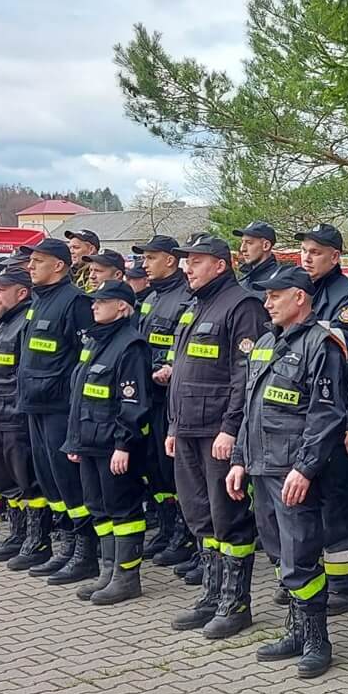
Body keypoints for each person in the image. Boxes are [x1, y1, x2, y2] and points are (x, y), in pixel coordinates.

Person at [227, 265, 348, 675]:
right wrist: (240, 459)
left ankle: (318, 638)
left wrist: (305, 467)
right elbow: (251, 407)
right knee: (279, 552)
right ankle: (297, 629)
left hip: (293, 470)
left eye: (275, 296)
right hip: (262, 466)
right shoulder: (264, 343)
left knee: (301, 555)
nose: (267, 303)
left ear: (299, 297)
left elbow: (327, 414)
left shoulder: (323, 344)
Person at [166, 233, 271, 637]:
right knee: (199, 516)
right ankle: (211, 594)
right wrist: (175, 426)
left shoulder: (242, 305)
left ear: (220, 264)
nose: (187, 268)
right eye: (186, 261)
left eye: (195, 261)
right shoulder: (195, 306)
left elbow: (245, 376)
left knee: (227, 518)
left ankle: (235, 602)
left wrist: (231, 429)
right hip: (188, 430)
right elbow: (183, 372)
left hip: (217, 434)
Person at [64, 278, 154, 606]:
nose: (93, 306)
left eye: (101, 301)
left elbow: (133, 403)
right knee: (98, 508)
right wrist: (75, 442)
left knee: (123, 509)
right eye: (93, 301)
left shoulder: (131, 345)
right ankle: (108, 570)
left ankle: (127, 577)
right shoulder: (96, 341)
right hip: (89, 442)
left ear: (121, 307)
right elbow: (81, 396)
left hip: (113, 446)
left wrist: (123, 445)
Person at [295, 223, 348, 613]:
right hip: (307, 416)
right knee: (315, 502)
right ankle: (318, 578)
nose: (307, 257)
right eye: (305, 251)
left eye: (316, 252)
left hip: (336, 414)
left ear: (336, 256)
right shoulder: (304, 291)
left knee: (338, 501)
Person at [16, 238, 97, 583]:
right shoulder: (38, 301)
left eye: (38, 261)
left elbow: (85, 359)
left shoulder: (75, 302)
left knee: (70, 483)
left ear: (60, 265)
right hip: (35, 404)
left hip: (60, 408)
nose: (30, 266)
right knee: (50, 482)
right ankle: (65, 546)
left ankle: (85, 553)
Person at [133, 235, 195, 570]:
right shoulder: (153, 296)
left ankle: (185, 534)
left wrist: (168, 368)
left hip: (169, 395)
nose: (145, 264)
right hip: (148, 395)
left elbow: (179, 345)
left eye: (151, 258)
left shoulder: (185, 295)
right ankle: (167, 526)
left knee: (174, 471)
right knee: (155, 469)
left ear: (171, 260)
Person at [0, 264, 44, 568]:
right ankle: (17, 535)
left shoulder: (25, 322)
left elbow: (26, 372)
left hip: (14, 416)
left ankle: (37, 540)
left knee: (26, 481)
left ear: (22, 292)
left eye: (2, 289)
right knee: (5, 480)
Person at [232, 220, 281, 295]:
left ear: (266, 246)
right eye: (242, 242)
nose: (242, 249)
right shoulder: (243, 280)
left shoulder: (278, 281)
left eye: (249, 243)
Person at [65, 228, 102, 292]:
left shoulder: (101, 275)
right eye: (70, 248)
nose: (71, 251)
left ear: (91, 250)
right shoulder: (68, 272)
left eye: (76, 247)